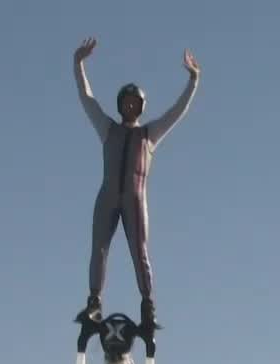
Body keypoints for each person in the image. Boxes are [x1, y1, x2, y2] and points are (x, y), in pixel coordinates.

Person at [74, 36, 200, 330]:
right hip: (107, 196)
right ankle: (94, 302)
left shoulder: (150, 134)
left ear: (141, 106)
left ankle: (148, 305)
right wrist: (78, 63)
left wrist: (193, 81)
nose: (130, 105)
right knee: (99, 248)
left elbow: (176, 112)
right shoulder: (107, 128)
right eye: (126, 101)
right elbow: (87, 98)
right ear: (120, 105)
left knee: (139, 251)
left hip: (135, 198)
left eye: (135, 102)